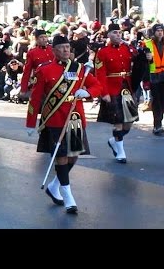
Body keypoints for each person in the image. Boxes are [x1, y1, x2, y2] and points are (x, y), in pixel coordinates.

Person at [26, 35, 102, 214]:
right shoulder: (44, 70)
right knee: (61, 156)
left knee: (73, 156)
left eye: (68, 47)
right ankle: (68, 195)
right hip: (55, 118)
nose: (66, 50)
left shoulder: (79, 69)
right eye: (62, 47)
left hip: (75, 118)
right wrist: (31, 123)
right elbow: (35, 98)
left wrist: (87, 92)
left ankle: (55, 185)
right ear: (54, 51)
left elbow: (97, 86)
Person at [95, 23, 141, 163]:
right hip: (112, 88)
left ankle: (114, 140)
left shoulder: (127, 48)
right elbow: (100, 73)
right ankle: (120, 151)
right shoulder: (102, 52)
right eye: (114, 32)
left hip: (127, 87)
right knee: (118, 121)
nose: (118, 35)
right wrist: (104, 92)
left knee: (129, 121)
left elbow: (138, 59)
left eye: (119, 32)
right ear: (108, 35)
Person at [19, 29, 54, 98]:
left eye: (45, 37)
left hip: (55, 82)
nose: (44, 39)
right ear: (36, 39)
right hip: (41, 83)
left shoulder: (53, 49)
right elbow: (27, 71)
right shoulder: (32, 53)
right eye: (41, 37)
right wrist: (23, 89)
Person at [143, 23, 164, 135]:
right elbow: (143, 62)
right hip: (154, 76)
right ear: (154, 32)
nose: (160, 32)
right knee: (157, 102)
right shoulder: (147, 44)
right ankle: (157, 125)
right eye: (158, 30)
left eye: (161, 30)